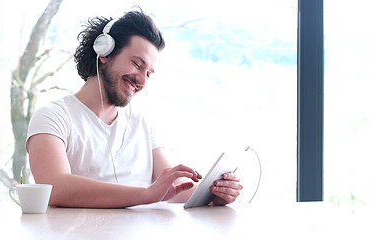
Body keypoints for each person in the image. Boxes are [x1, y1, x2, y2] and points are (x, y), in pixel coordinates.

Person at [26, 8, 242, 208]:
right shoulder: (53, 117)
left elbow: (172, 190)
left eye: (148, 73)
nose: (142, 80)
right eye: (137, 65)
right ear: (104, 53)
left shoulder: (142, 124)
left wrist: (214, 194)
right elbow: (55, 188)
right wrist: (146, 194)